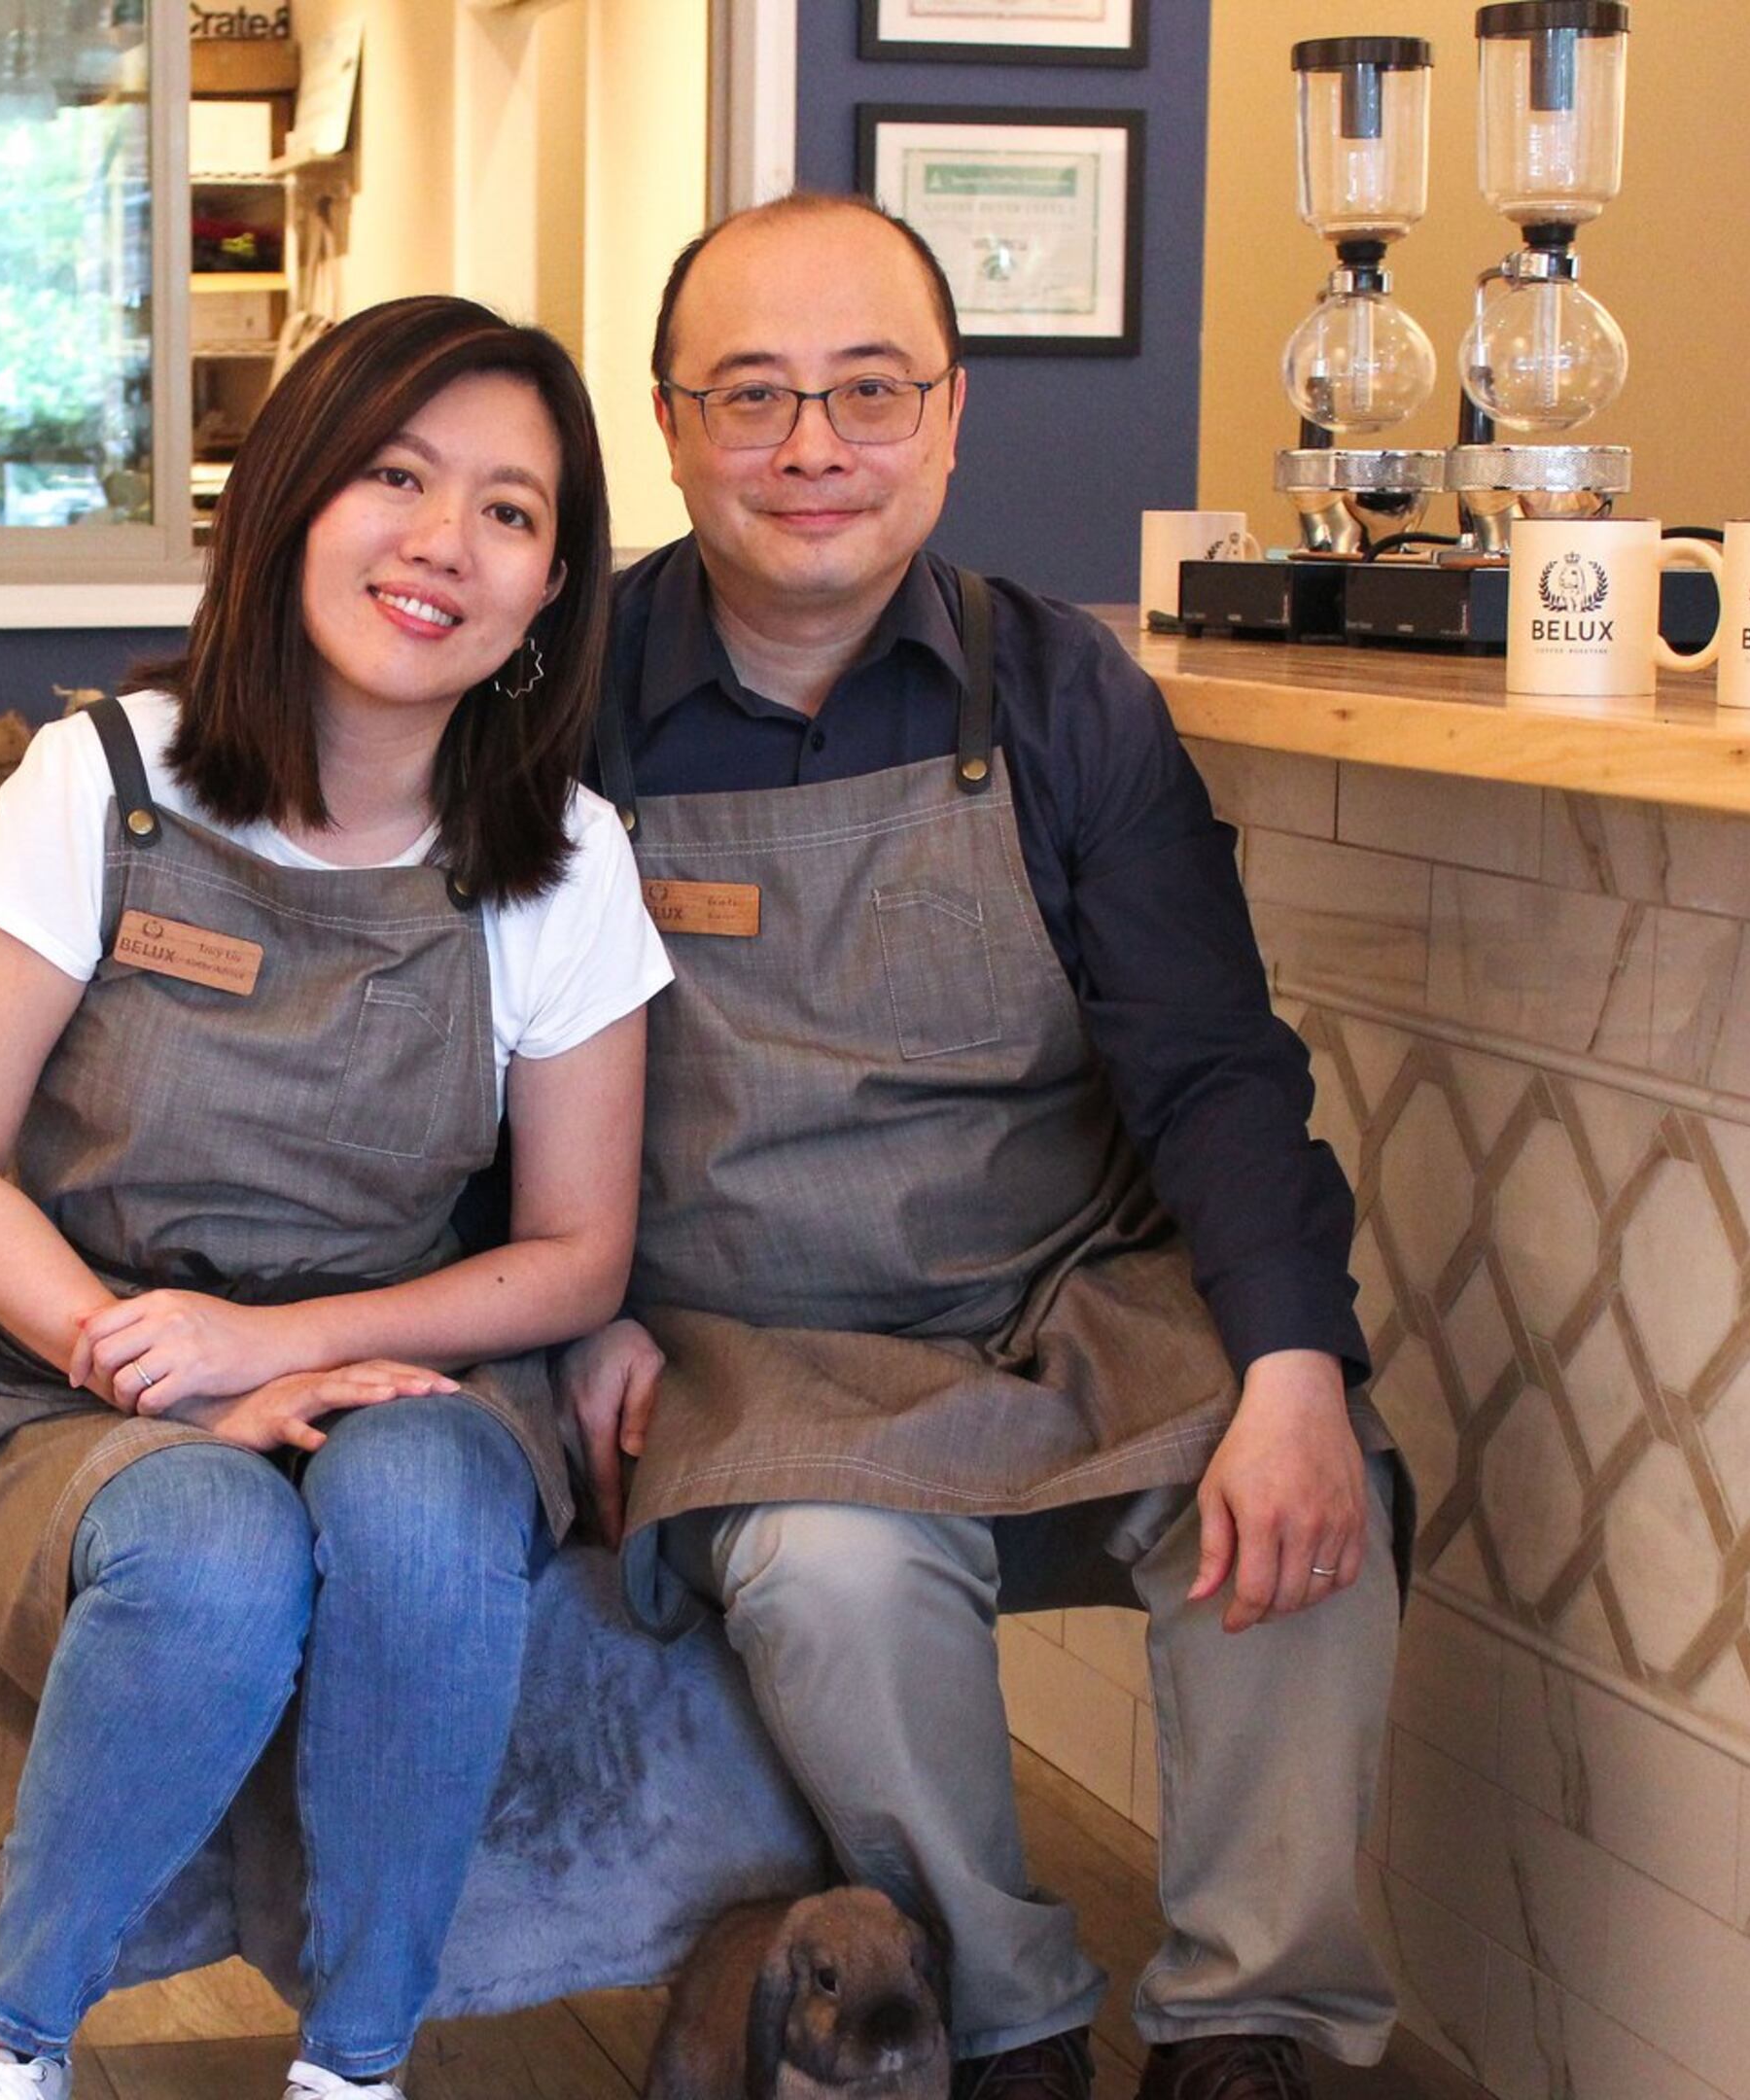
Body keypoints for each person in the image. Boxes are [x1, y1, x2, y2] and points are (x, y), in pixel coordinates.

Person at [563, 195, 1405, 2100]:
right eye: (754, 396)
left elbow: (1212, 1064)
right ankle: (1002, 2025)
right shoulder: (564, 708)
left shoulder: (1065, 693)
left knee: (1308, 1492)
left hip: (1064, 1295)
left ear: (950, 417)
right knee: (838, 1585)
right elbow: (467, 1059)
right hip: (750, 1336)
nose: (812, 448)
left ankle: (1249, 2030)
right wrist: (564, 1317)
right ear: (674, 423)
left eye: (869, 392)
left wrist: (1286, 1361)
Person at [0, 295, 673, 2100]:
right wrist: (169, 1365)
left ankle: (358, 2063)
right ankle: (15, 2046)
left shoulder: (567, 862)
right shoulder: (103, 784)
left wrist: (297, 1343)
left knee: (411, 1517)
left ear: (549, 591)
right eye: (396, 475)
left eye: (509, 510)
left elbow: (577, 1251)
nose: (441, 543)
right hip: (87, 1372)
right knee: (212, 1554)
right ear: (293, 499)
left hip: (413, 1366)